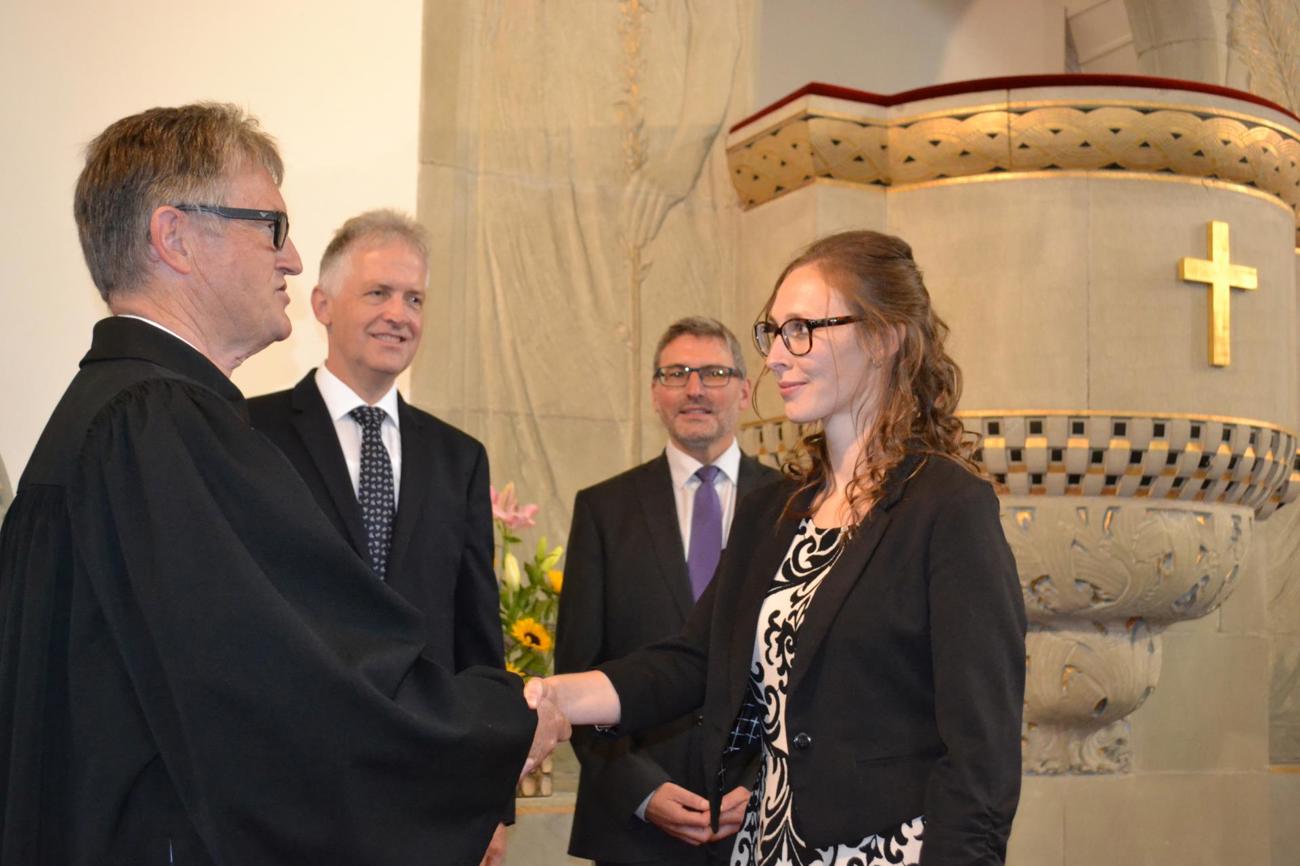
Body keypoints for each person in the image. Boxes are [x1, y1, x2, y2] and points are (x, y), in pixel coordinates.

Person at [0, 102, 566, 866]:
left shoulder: (112, 412)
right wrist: (502, 722)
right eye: (272, 226)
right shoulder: (160, 423)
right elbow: (288, 685)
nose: (293, 258)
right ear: (175, 237)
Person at [531, 230, 1027, 866]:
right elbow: (693, 661)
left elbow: (982, 758)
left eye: (802, 330)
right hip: (767, 848)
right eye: (773, 333)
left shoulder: (947, 507)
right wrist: (555, 697)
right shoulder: (774, 510)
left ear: (883, 336)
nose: (777, 358)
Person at [247, 208, 512, 865]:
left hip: (429, 792)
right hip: (287, 792)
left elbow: (477, 637)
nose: (400, 314)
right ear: (323, 305)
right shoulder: (250, 435)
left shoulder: (459, 458)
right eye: (378, 293)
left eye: (414, 298)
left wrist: (491, 800)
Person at [555, 317, 780, 866]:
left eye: (714, 373)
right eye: (676, 373)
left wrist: (758, 785)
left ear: (745, 390)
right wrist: (643, 791)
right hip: (636, 832)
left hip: (764, 822)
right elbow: (581, 671)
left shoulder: (794, 506)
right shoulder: (603, 510)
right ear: (655, 392)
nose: (695, 388)